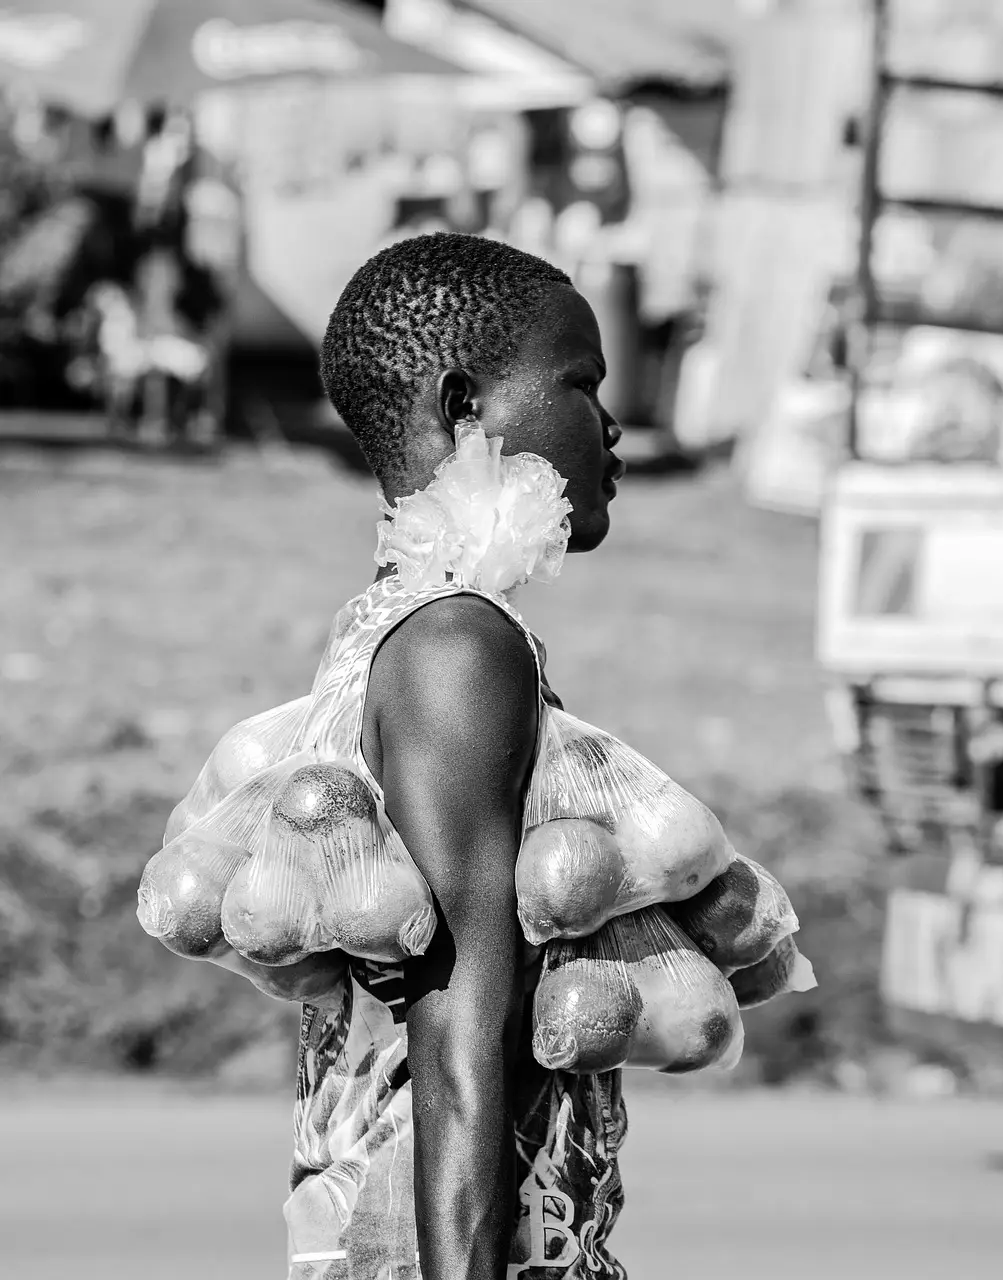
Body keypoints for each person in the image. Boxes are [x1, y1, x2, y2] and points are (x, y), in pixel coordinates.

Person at [278, 232, 626, 1280]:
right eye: (578, 383)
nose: (609, 426)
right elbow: (456, 1026)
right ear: (464, 405)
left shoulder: (396, 627)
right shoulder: (456, 646)